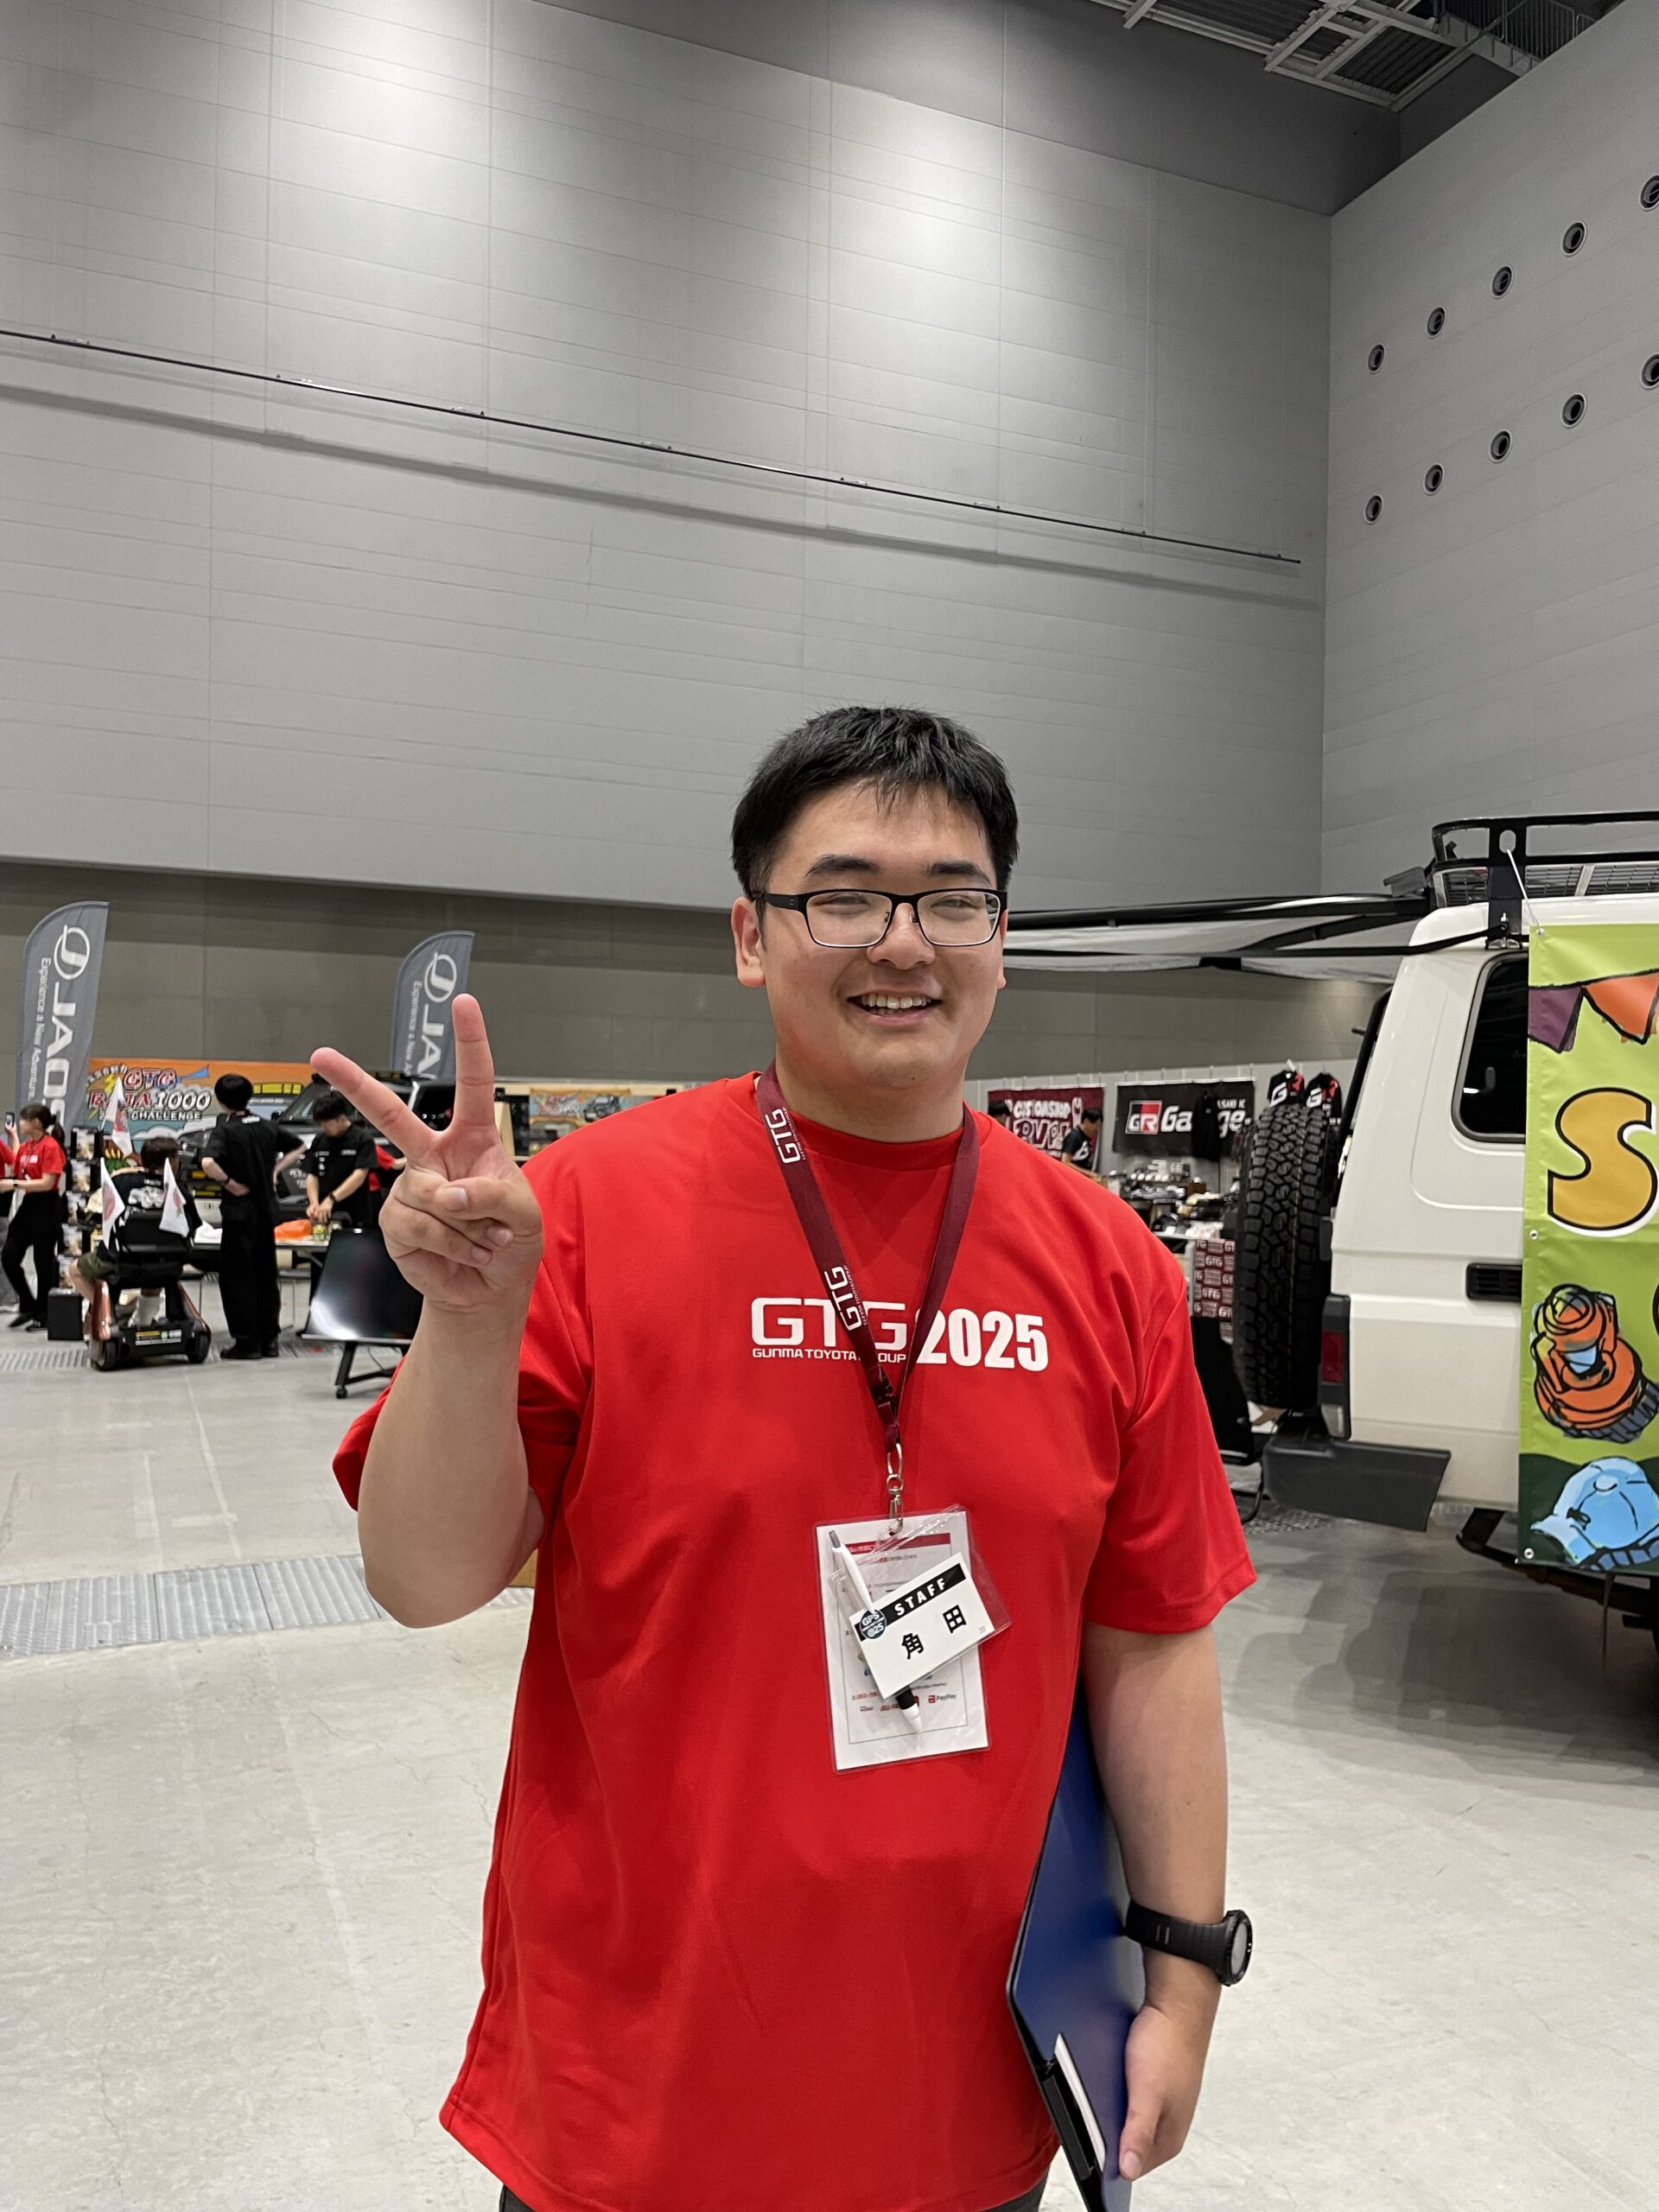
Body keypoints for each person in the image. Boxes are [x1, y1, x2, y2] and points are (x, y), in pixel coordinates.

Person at [315, 707, 1255, 2212]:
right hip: (639, 2093)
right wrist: (472, 1325)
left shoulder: (1109, 1267)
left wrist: (1186, 1983)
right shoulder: (592, 1209)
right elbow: (424, 1580)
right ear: (752, 937)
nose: (905, 943)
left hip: (972, 2087)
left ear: (1002, 941)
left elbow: (1153, 1646)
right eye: (846, 897)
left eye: (953, 899)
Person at [200, 1073, 302, 1360]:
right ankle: (270, 1340)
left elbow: (208, 1162)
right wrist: (274, 1170)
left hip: (239, 1215)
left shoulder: (226, 1130)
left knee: (238, 1278)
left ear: (221, 1101)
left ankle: (247, 1343)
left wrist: (228, 1182)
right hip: (266, 1212)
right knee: (266, 1275)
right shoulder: (267, 1126)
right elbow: (299, 1146)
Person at [72, 1135, 200, 1327]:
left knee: (75, 1270)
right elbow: (193, 1228)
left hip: (122, 1261)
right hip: (167, 1264)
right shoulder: (180, 1192)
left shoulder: (120, 1182)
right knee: (154, 1275)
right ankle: (142, 1321)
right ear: (171, 1162)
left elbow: (97, 1213)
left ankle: (108, 1310)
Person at [1, 1102, 67, 1331]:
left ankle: (44, 1313)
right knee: (9, 1257)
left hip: (47, 1205)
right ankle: (28, 1304)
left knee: (43, 1261)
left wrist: (14, 1185)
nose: (20, 1123)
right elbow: (17, 1170)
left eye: (23, 1119)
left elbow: (48, 1182)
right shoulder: (27, 1147)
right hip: (28, 1205)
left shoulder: (51, 1147)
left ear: (36, 1122)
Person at [303, 1090, 378, 1230]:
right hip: (324, 1212)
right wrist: (314, 1202)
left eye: (328, 1124)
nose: (324, 1128)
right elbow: (311, 1174)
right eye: (321, 1124)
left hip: (354, 1211)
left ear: (342, 1119)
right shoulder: (319, 1140)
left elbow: (359, 1175)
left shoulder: (362, 1139)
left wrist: (332, 1199)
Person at [1060, 1104, 1104, 1173]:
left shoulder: (1086, 1137)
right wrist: (1088, 1173)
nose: (1097, 1129)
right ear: (1086, 1121)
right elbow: (1065, 1162)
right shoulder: (1074, 1136)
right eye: (1096, 1125)